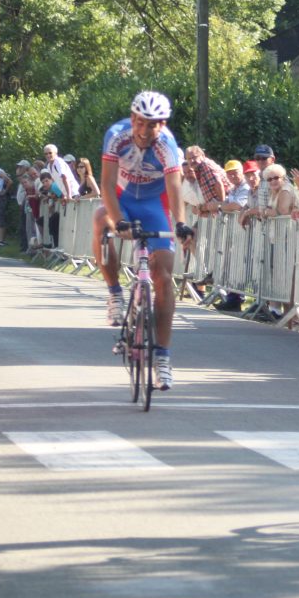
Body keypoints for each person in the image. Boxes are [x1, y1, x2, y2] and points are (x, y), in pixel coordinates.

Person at [92, 90, 192, 390]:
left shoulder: (167, 145)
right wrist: (118, 220)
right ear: (132, 119)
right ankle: (115, 294)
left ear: (162, 125)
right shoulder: (116, 136)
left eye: (154, 125)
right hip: (121, 198)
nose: (146, 131)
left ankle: (162, 356)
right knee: (100, 219)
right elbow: (107, 183)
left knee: (163, 276)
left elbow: (174, 188)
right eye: (141, 123)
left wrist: (181, 224)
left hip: (153, 205)